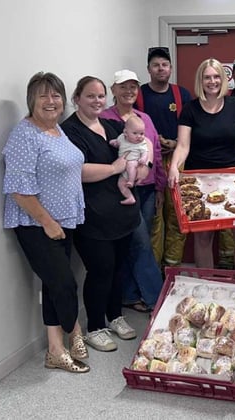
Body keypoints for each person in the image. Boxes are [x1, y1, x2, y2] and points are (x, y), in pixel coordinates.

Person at [2, 72, 89, 373]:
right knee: (65, 284)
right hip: (36, 223)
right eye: (43, 95)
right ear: (31, 100)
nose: (51, 101)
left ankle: (55, 350)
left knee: (53, 284)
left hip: (64, 220)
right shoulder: (24, 134)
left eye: (56, 95)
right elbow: (18, 189)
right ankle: (75, 330)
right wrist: (48, 222)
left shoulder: (56, 130)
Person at [167, 58, 235, 270]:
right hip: (199, 181)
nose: (212, 81)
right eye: (207, 77)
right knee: (203, 237)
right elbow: (182, 146)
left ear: (224, 79)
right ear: (200, 80)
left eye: (216, 76)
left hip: (232, 180)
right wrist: (174, 166)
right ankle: (206, 282)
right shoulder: (190, 109)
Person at [61, 76, 143, 352]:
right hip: (93, 216)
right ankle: (95, 327)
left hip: (122, 213)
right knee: (100, 270)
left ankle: (114, 315)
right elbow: (77, 171)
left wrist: (142, 167)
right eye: (90, 96)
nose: (97, 101)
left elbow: (138, 146)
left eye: (100, 96)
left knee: (118, 268)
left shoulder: (111, 126)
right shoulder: (69, 131)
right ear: (77, 99)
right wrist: (114, 168)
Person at [100, 70, 164, 313]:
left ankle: (129, 294)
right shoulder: (105, 118)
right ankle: (157, 298)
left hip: (147, 190)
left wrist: (159, 186)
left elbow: (155, 151)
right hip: (122, 189)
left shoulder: (144, 118)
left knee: (137, 242)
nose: (129, 91)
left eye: (133, 87)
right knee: (140, 243)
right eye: (123, 86)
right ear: (113, 90)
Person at [135, 46, 193, 268]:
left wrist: (176, 143)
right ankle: (155, 269)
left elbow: (192, 127)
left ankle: (172, 266)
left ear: (171, 68)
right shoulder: (139, 95)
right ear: (148, 69)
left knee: (178, 213)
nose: (161, 69)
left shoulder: (182, 94)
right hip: (149, 164)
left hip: (178, 160)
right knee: (155, 217)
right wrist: (153, 144)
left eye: (165, 65)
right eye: (156, 65)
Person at [109, 116, 149, 205]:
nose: (139, 136)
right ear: (125, 132)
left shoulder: (141, 143)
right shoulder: (121, 137)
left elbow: (145, 152)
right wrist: (114, 143)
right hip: (122, 169)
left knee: (131, 164)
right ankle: (130, 197)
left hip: (135, 163)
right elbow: (118, 143)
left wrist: (143, 159)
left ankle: (131, 181)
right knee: (120, 184)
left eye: (142, 133)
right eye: (135, 133)